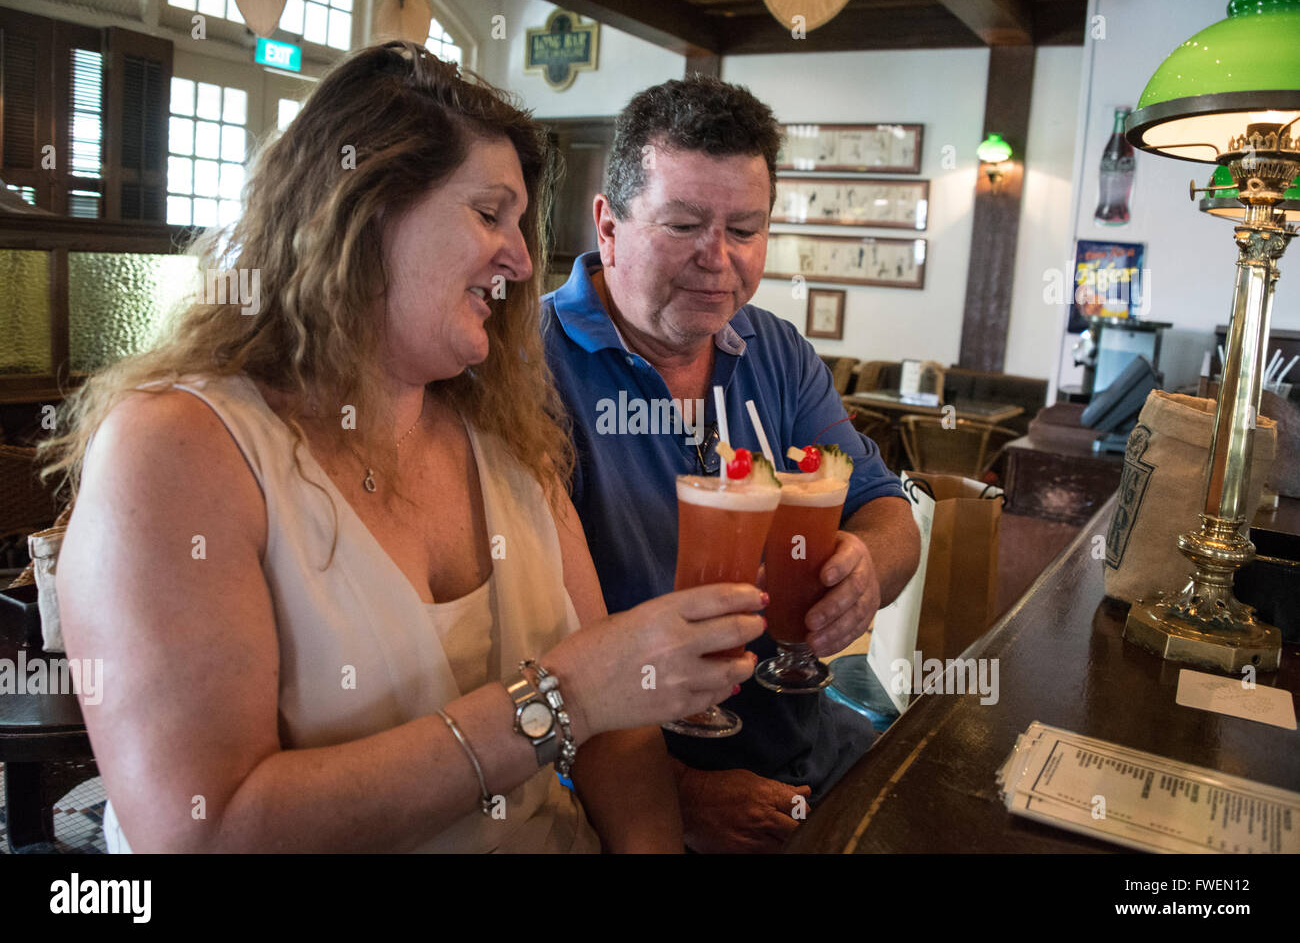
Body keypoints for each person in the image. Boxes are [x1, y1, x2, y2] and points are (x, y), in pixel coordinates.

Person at [42, 43, 767, 854]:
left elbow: (619, 740)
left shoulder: (510, 434)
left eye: (521, 224)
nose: (524, 259)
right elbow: (205, 832)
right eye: (489, 214)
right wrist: (557, 701)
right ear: (361, 209)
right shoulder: (177, 446)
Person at [542, 76, 922, 853]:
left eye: (745, 228)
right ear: (607, 226)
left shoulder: (775, 350)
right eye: (682, 225)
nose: (718, 260)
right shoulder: (530, 367)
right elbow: (517, 665)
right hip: (623, 789)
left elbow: (887, 508)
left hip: (805, 745)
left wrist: (867, 569)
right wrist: (679, 796)